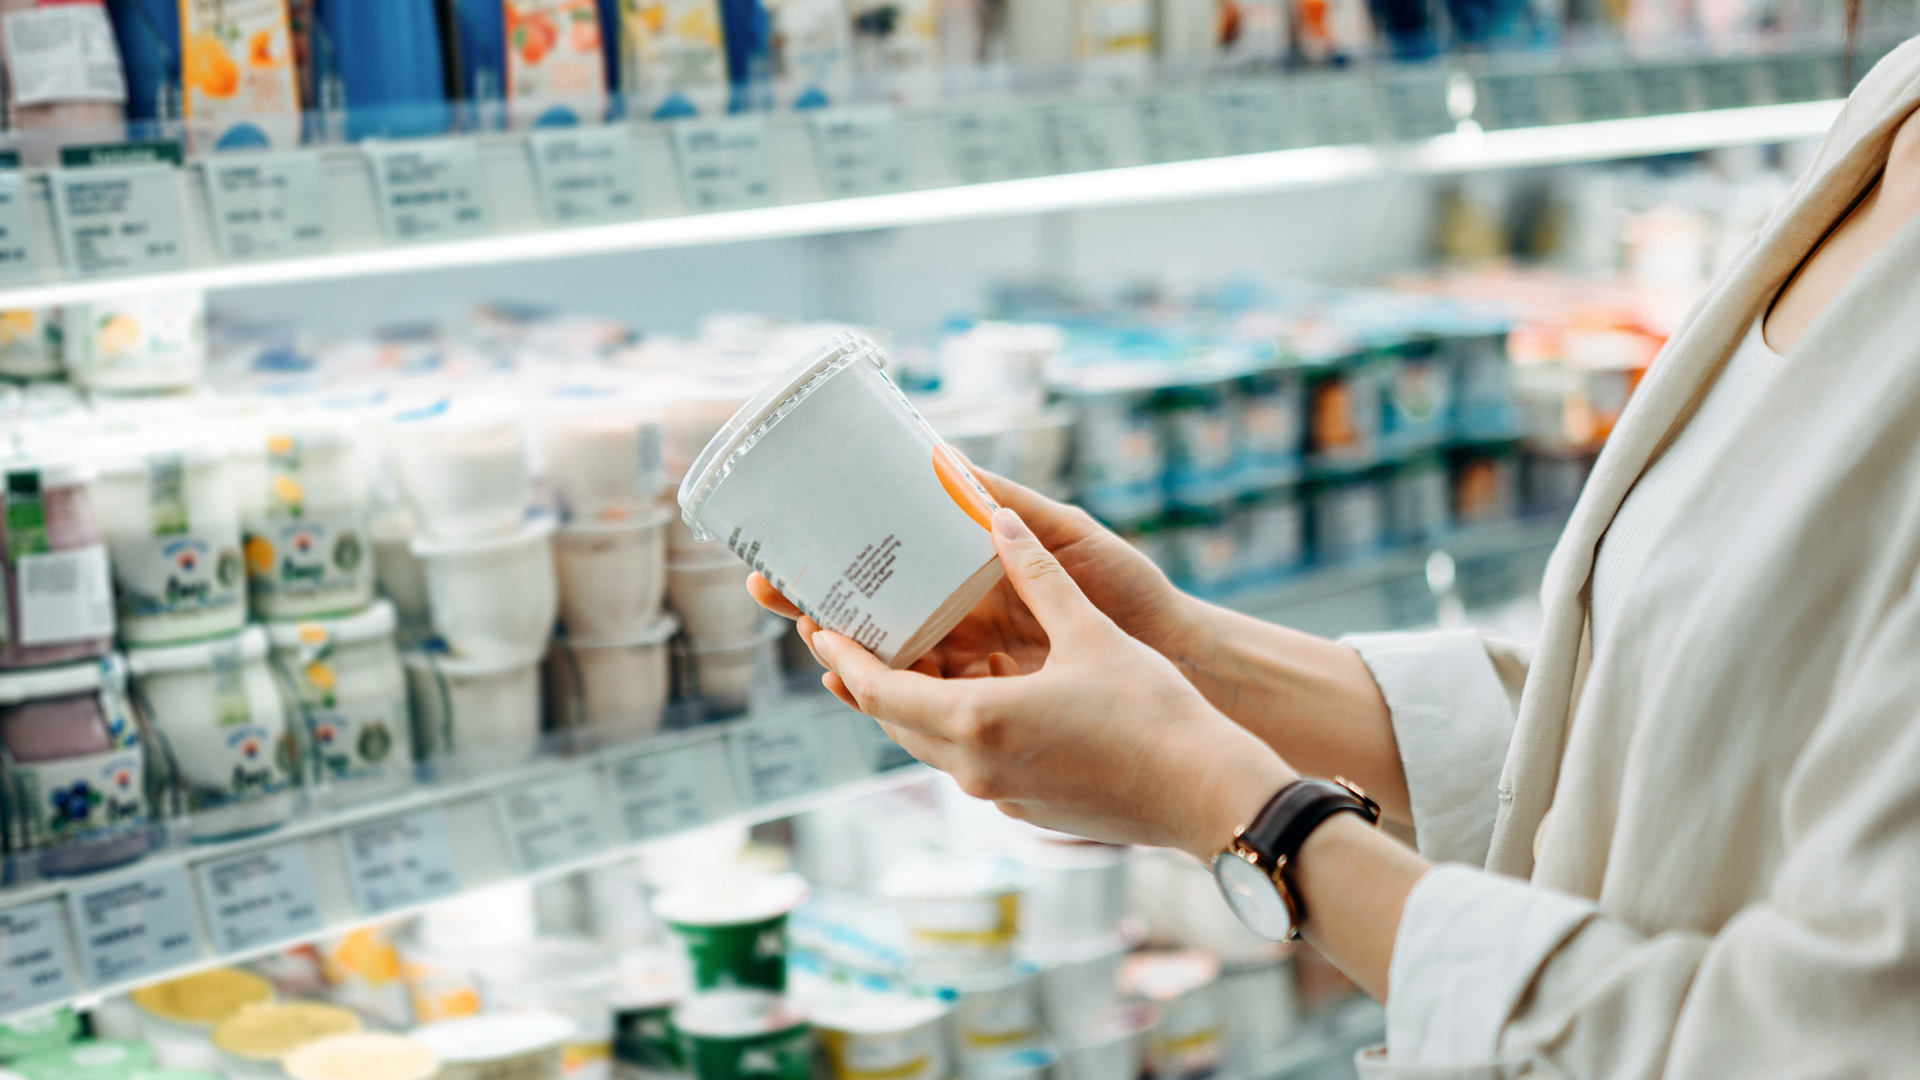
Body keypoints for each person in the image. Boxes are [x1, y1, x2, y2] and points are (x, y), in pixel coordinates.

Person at [749, 37, 1920, 1079]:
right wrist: (1191, 657)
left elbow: (1804, 1043)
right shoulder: (1894, 100)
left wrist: (1228, 805)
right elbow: (1675, 735)